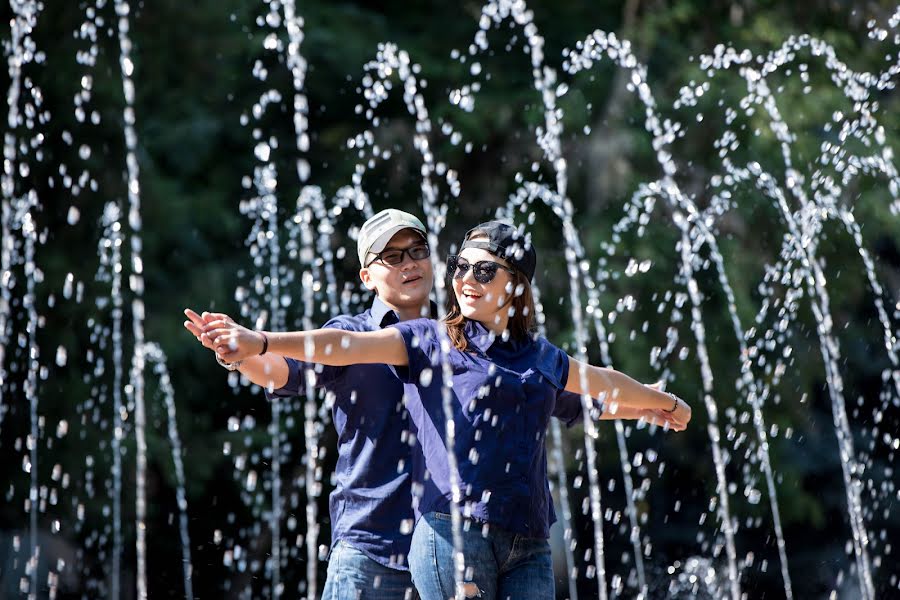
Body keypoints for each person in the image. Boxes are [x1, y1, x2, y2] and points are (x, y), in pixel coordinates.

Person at [193, 220, 690, 600]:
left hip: (478, 539)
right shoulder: (395, 338)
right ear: (367, 274)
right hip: (379, 542)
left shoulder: (498, 352)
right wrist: (249, 349)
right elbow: (301, 362)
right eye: (391, 256)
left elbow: (582, 392)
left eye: (417, 251)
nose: (409, 263)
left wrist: (649, 404)